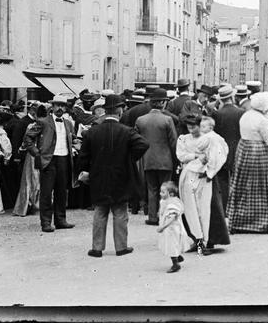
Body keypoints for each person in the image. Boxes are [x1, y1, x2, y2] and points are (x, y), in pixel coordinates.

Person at [77, 94, 149, 258]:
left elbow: (83, 155)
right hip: (121, 175)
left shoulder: (92, 131)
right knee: (120, 212)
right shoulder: (126, 131)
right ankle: (121, 247)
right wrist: (129, 159)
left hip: (98, 176)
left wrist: (86, 170)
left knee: (100, 211)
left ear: (105, 110)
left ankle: (97, 248)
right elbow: (143, 144)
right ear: (119, 110)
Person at [226, 92, 268, 234]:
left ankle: (239, 220)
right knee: (264, 187)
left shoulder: (246, 116)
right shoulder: (262, 121)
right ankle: (265, 222)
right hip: (260, 154)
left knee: (243, 188)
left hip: (244, 151)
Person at [21, 94, 76, 232]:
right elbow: (28, 138)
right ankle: (45, 222)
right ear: (52, 106)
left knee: (62, 191)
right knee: (46, 192)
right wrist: (36, 153)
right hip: (48, 160)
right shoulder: (43, 121)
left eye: (63, 106)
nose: (60, 108)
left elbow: (73, 139)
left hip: (64, 158)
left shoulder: (69, 124)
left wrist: (75, 146)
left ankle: (60, 220)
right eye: (57, 105)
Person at [177, 115, 230, 255]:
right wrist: (195, 156)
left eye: (194, 126)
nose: (191, 129)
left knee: (207, 209)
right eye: (189, 126)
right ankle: (197, 240)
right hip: (188, 176)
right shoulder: (184, 138)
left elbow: (220, 153)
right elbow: (181, 155)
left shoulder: (210, 138)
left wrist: (209, 171)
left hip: (205, 176)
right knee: (190, 210)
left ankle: (208, 241)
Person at [135, 88, 178, 226]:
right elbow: (173, 141)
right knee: (166, 188)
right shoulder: (167, 120)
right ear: (162, 103)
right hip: (165, 160)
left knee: (152, 189)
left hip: (147, 159)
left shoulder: (141, 120)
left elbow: (136, 140)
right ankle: (164, 216)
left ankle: (152, 217)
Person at [213, 84, 243, 210]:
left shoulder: (218, 114)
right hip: (238, 148)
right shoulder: (240, 112)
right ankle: (237, 207)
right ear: (232, 96)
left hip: (222, 149)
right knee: (238, 179)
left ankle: (224, 207)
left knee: (222, 180)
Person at [13, 101, 42, 216]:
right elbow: (25, 140)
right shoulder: (29, 125)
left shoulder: (39, 124)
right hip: (33, 154)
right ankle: (32, 205)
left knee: (36, 179)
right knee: (33, 179)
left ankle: (36, 204)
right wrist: (19, 152)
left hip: (38, 153)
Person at [156, 182, 191, 273]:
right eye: (160, 191)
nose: (160, 194)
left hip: (172, 229)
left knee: (171, 245)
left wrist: (163, 227)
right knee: (171, 244)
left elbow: (171, 218)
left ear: (170, 194)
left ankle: (175, 264)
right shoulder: (164, 201)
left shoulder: (173, 204)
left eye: (163, 192)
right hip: (168, 230)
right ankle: (177, 256)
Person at [0, 109, 16, 209]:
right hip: (1, 158)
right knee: (4, 180)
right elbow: (7, 148)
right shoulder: (2, 132)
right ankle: (7, 201)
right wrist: (7, 158)